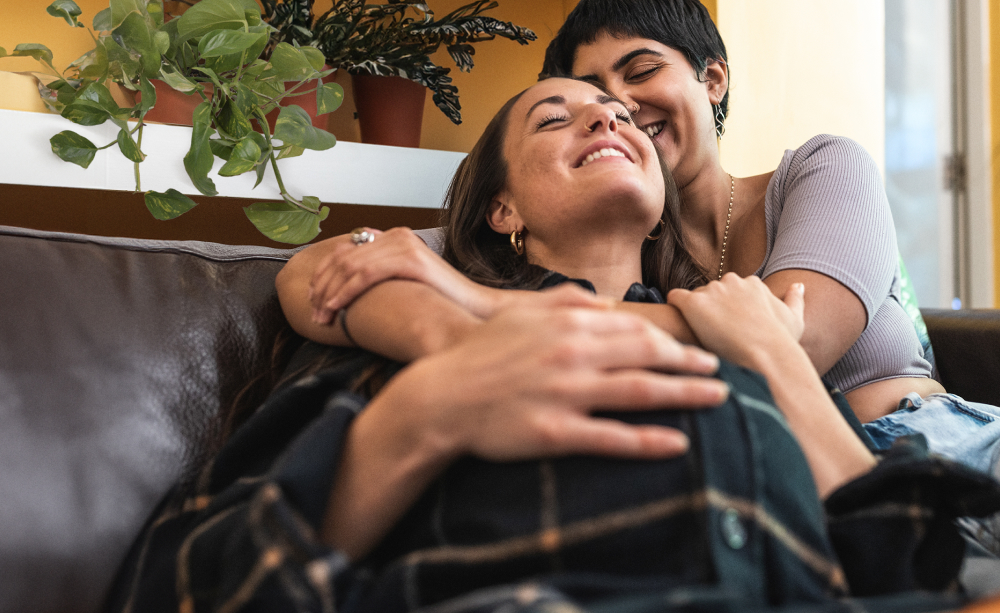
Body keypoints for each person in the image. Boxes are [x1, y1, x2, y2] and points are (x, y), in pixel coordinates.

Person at [107, 79, 1000, 613]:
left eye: (623, 113)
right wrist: (421, 415)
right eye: (557, 117)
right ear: (503, 210)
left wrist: (775, 367)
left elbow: (905, 563)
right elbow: (180, 583)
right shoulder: (391, 318)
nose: (610, 120)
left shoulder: (736, 328)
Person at [296, 0, 942, 427]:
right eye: (585, 96)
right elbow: (312, 273)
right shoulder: (599, 237)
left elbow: (790, 345)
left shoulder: (821, 169)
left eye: (639, 73)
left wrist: (487, 307)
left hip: (928, 446)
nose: (618, 111)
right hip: (779, 491)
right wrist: (453, 328)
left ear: (711, 79)